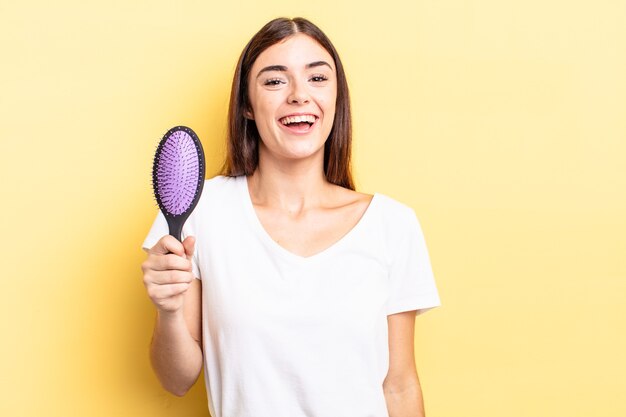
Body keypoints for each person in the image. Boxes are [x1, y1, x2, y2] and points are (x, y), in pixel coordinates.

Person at [141, 17, 441, 417]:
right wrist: (168, 309)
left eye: (318, 78)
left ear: (337, 97)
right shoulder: (201, 211)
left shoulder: (392, 224)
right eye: (275, 81)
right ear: (247, 105)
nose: (299, 95)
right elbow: (176, 380)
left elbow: (399, 386)